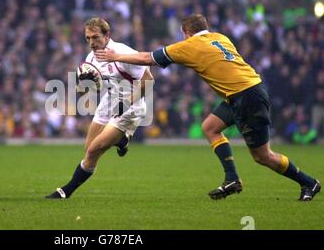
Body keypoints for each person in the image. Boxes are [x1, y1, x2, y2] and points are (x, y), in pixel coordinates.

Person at [95, 14, 321, 201]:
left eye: (183, 35)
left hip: (247, 97)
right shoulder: (220, 37)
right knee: (210, 127)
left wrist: (116, 56)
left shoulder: (190, 45)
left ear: (186, 33)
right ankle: (231, 178)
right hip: (245, 91)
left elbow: (147, 58)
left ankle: (309, 183)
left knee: (263, 156)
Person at [46, 17, 154, 199]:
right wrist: (82, 85)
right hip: (109, 100)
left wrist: (127, 102)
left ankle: (66, 191)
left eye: (95, 37)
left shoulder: (122, 52)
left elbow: (149, 80)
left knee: (94, 150)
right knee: (89, 149)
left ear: (107, 35)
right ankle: (122, 140)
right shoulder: (91, 58)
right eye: (87, 38)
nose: (91, 43)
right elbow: (86, 92)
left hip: (131, 105)